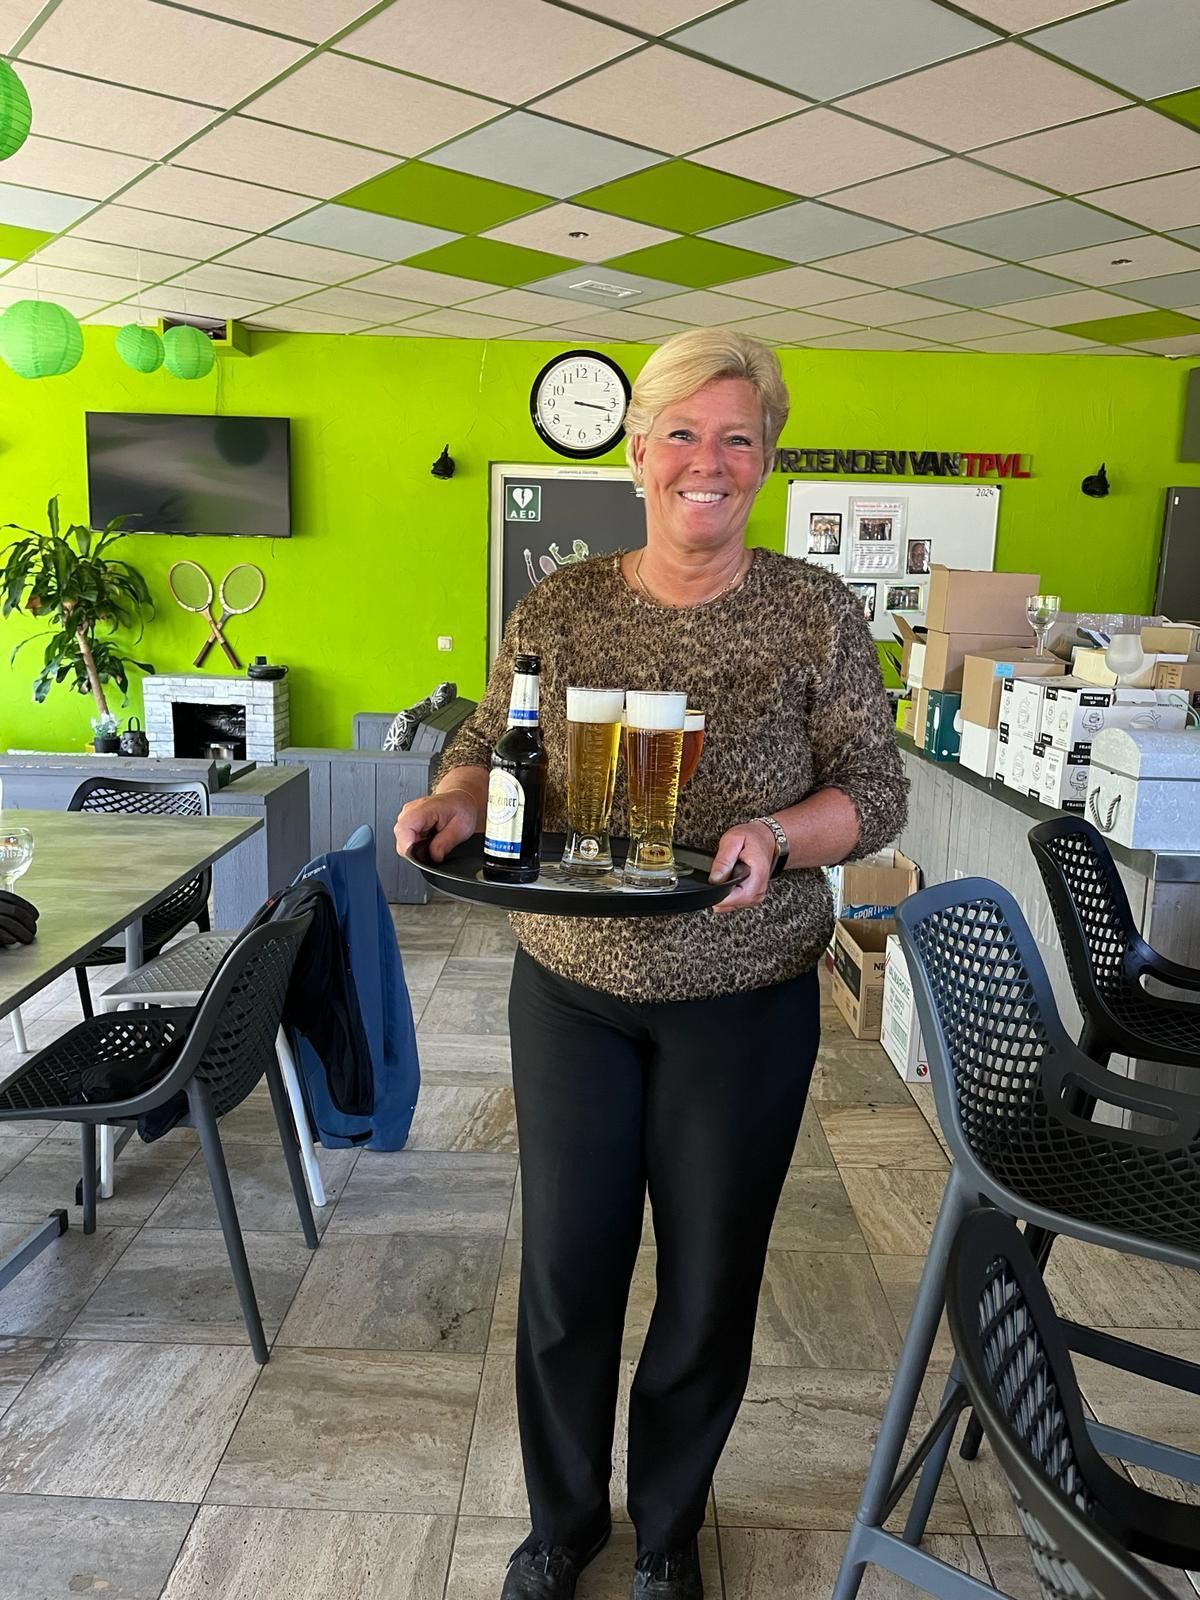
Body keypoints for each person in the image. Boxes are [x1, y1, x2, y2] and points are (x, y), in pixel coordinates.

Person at [394, 329, 908, 1600]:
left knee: (709, 1277)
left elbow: (875, 792)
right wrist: (453, 796)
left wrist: (776, 835)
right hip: (574, 989)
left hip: (744, 998)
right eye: (682, 433)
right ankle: (562, 1522)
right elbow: (486, 735)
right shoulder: (563, 605)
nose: (707, 461)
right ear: (636, 454)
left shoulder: (813, 611)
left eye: (737, 437)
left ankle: (669, 1531)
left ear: (766, 459)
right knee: (567, 1270)